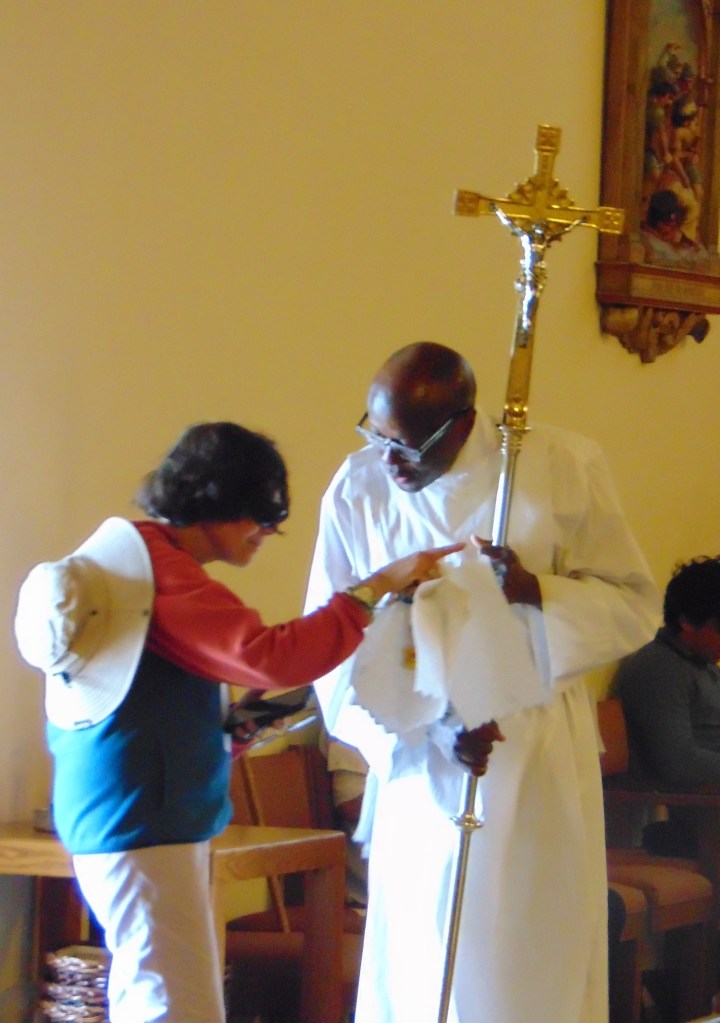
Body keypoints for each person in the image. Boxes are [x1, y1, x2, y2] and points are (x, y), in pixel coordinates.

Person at [13, 420, 462, 1023]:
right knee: (174, 1006)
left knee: (148, 991)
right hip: (142, 818)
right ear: (220, 503)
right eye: (265, 515)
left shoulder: (139, 560)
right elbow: (271, 656)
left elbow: (147, 698)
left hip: (125, 812)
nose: (269, 533)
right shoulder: (158, 573)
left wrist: (232, 728)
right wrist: (375, 589)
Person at [305, 342, 661, 1023]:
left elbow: (633, 602)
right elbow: (333, 643)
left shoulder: (558, 465)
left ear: (463, 421)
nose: (389, 461)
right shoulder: (358, 487)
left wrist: (537, 592)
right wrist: (423, 727)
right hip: (418, 753)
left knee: (531, 949)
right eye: (375, 436)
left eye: (406, 446)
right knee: (427, 946)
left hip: (533, 748)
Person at [615, 556, 720, 856]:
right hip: (695, 813)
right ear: (687, 621)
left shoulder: (703, 666)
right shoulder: (660, 669)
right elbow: (677, 763)